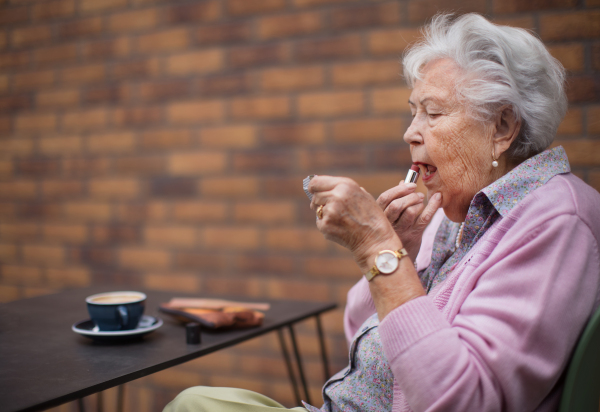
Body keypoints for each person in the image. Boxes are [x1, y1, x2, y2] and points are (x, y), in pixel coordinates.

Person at [163, 13, 600, 412]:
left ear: (502, 128)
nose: (411, 132)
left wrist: (379, 250)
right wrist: (401, 252)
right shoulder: (455, 213)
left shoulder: (556, 220)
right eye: (413, 113)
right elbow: (361, 335)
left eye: (433, 113)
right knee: (197, 399)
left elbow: (465, 402)